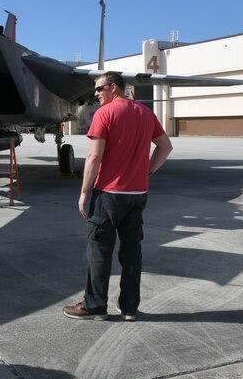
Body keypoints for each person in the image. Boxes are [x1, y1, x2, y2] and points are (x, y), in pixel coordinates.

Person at [63, 72, 172, 322]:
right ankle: (129, 307)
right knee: (132, 252)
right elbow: (165, 146)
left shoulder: (105, 113)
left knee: (99, 251)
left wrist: (83, 192)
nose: (96, 94)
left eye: (99, 89)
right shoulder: (146, 113)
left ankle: (95, 305)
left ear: (114, 87)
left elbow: (93, 156)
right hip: (137, 195)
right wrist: (148, 171)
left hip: (109, 195)